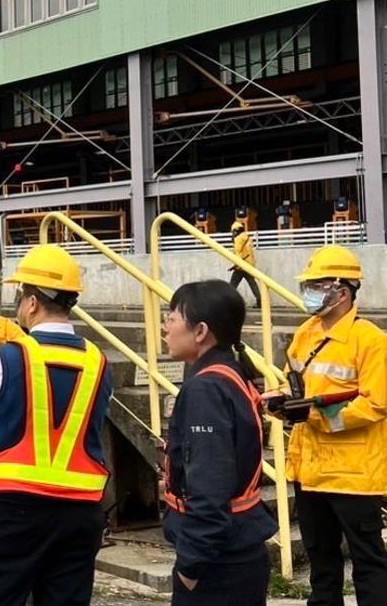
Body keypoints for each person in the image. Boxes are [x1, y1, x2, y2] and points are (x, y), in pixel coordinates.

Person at [0, 244, 112, 606]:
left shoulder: (8, 356)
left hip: (14, 507)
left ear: (31, 302)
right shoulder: (98, 361)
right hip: (80, 509)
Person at [264, 246, 387, 605]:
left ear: (342, 291)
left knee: (369, 561)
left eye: (318, 285)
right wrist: (281, 401)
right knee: (322, 562)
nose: (310, 292)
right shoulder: (307, 333)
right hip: (311, 471)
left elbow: (376, 403)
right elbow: (296, 381)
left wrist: (317, 418)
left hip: (353, 475)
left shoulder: (370, 341)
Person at [160, 280, 276, 605]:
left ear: (200, 332)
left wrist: (190, 568)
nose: (165, 326)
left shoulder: (206, 389)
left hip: (218, 564)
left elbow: (210, 490)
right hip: (238, 553)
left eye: (172, 316)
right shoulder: (230, 374)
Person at [227, 222, 260, 308]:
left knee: (232, 285)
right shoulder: (247, 237)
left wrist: (236, 265)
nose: (232, 234)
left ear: (236, 230)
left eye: (233, 232)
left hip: (241, 267)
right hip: (249, 265)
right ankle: (260, 301)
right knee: (253, 284)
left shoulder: (238, 239)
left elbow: (238, 253)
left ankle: (227, 302)